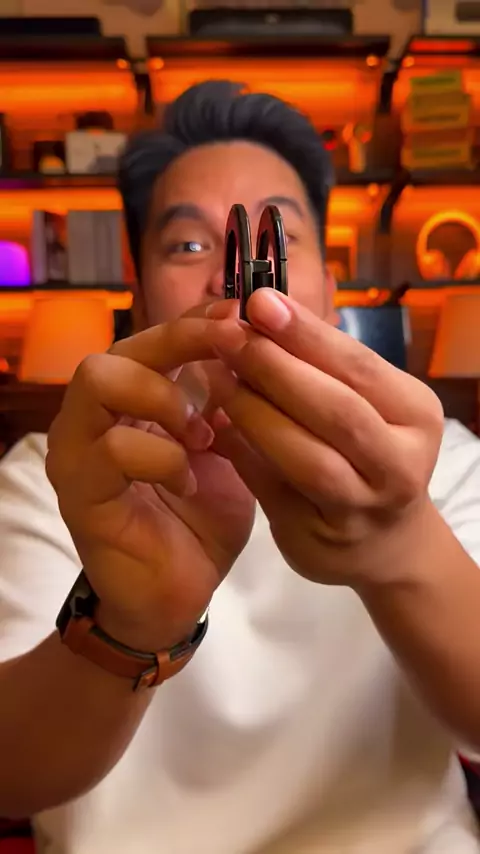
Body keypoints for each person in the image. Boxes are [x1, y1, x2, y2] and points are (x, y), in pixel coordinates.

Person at [1, 81, 480, 854]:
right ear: (137, 290)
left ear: (329, 284)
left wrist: (403, 546)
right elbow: (11, 775)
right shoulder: (52, 475)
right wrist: (128, 627)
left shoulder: (436, 458)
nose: (235, 279)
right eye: (188, 246)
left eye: (277, 238)